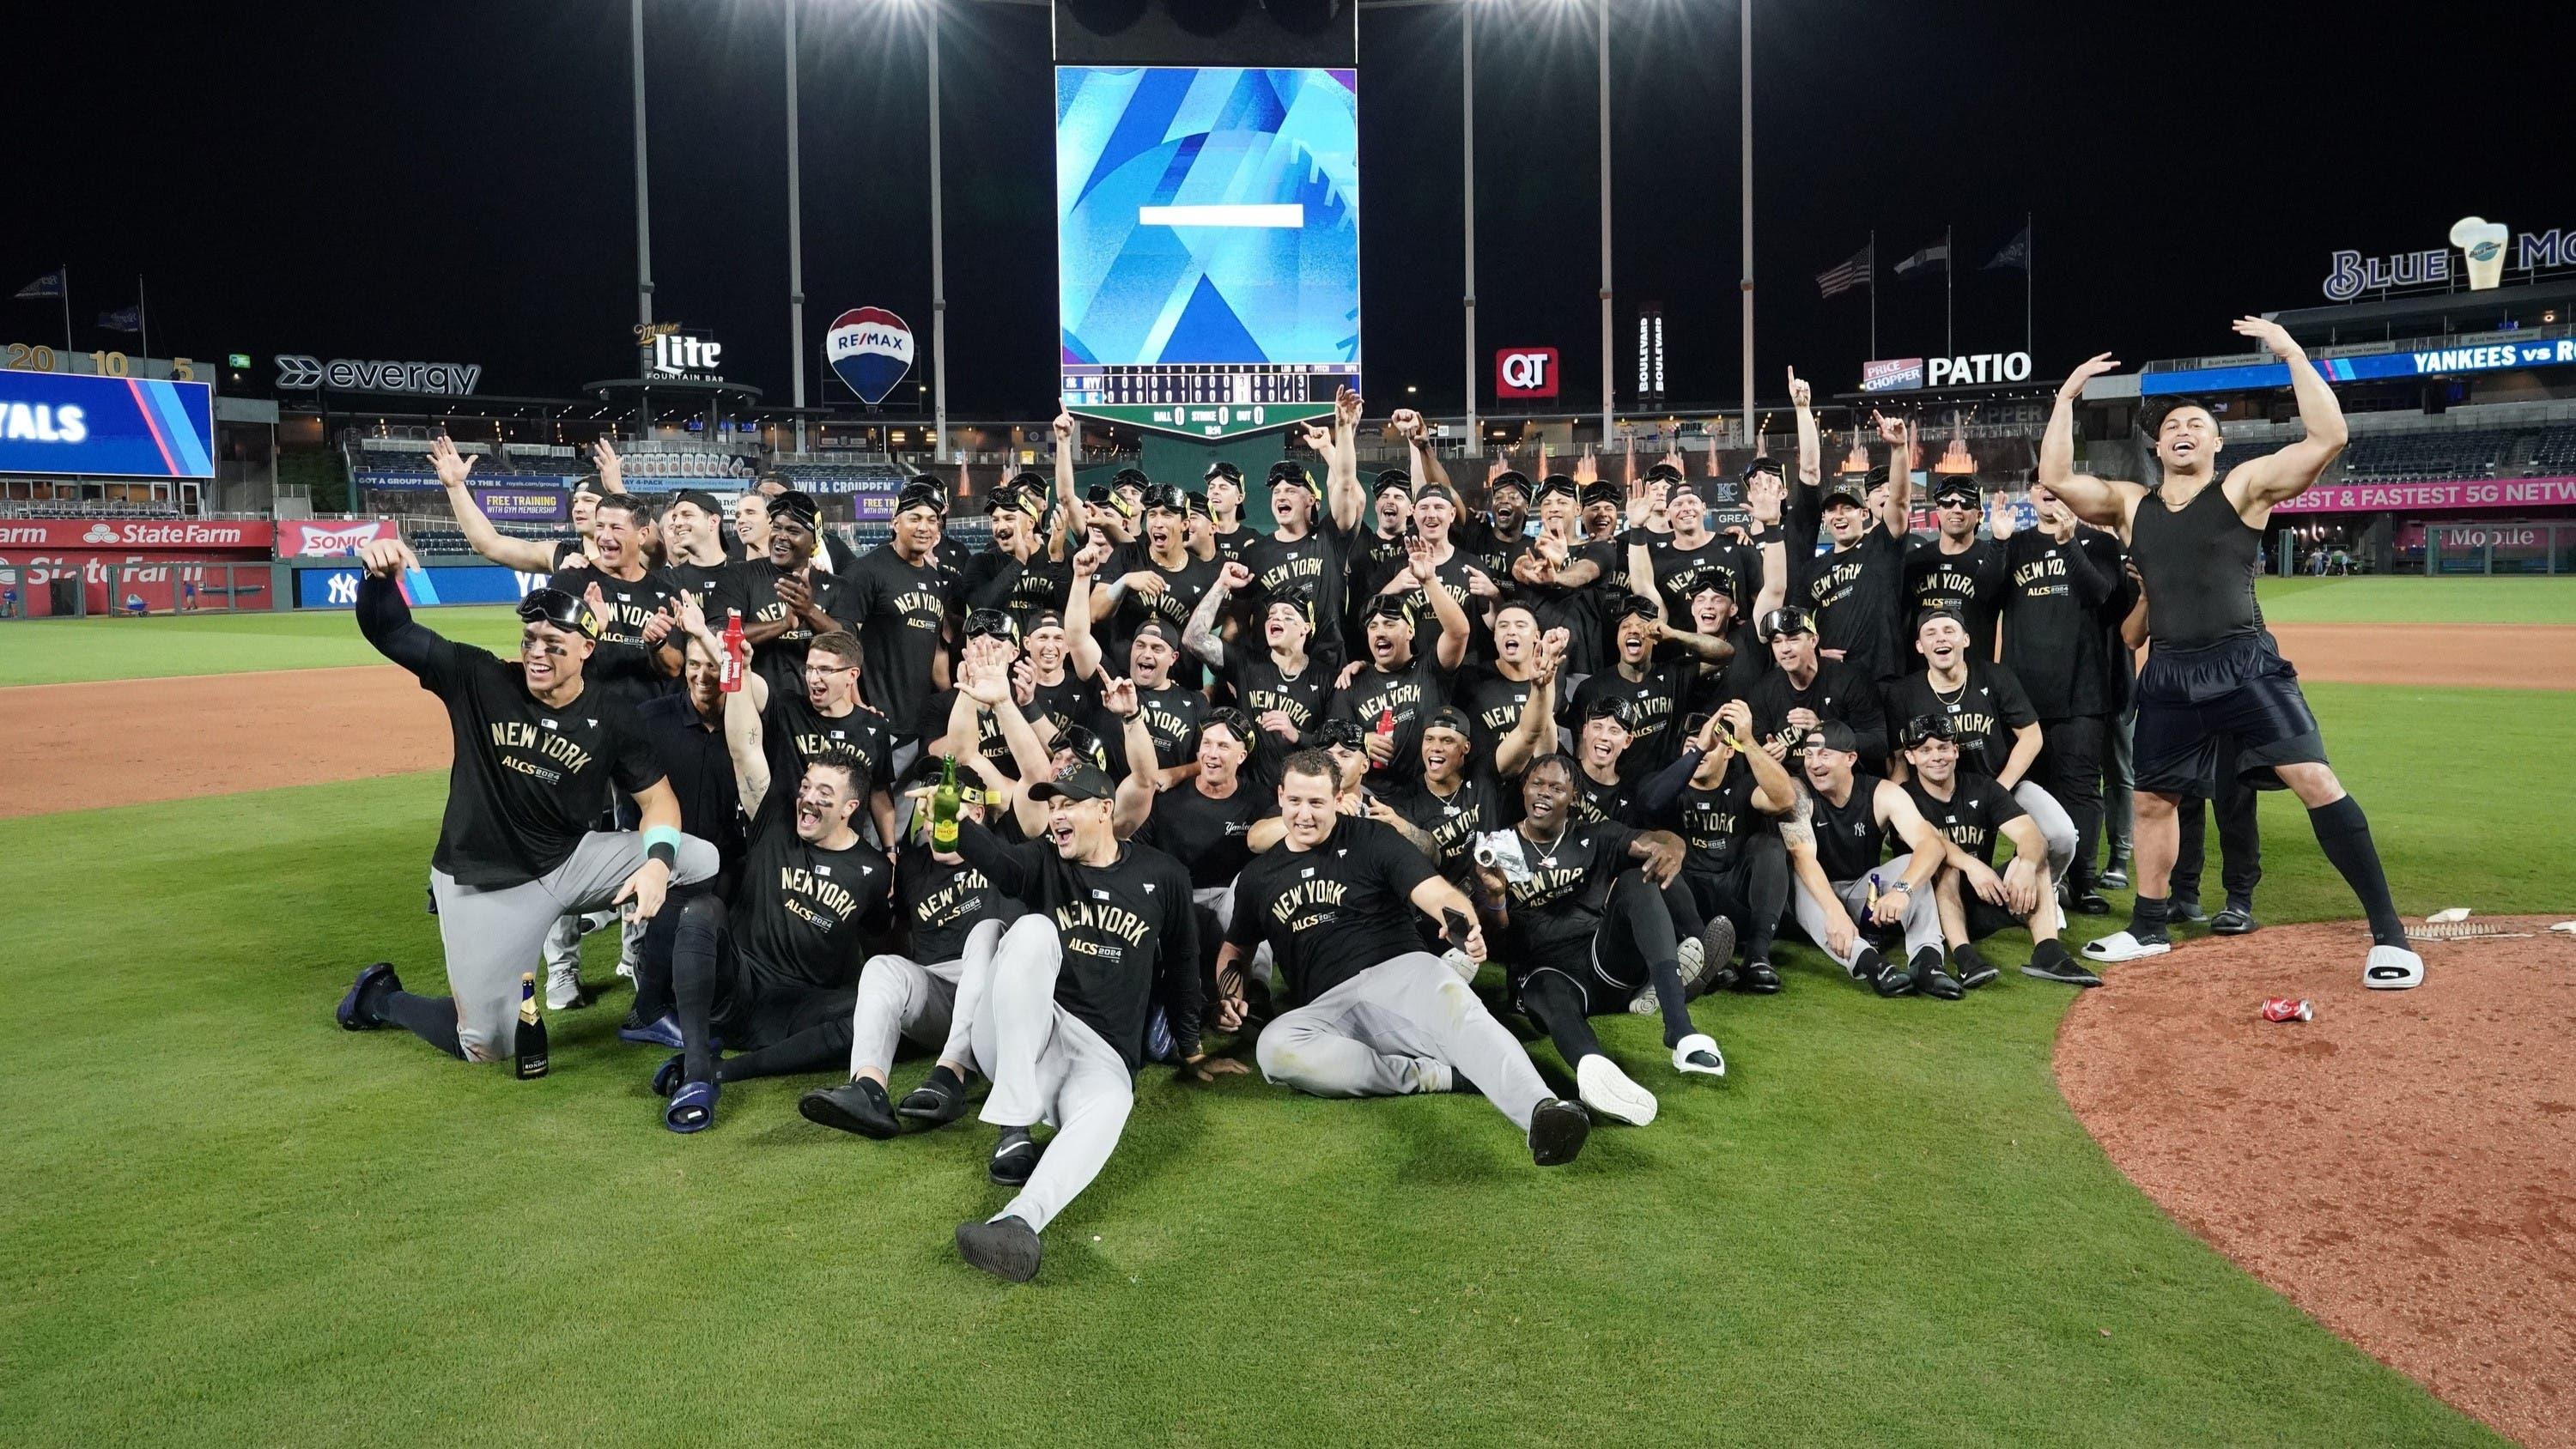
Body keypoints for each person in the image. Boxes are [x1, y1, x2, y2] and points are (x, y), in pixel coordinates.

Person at [2042, 323, 2421, 987]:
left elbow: (2329, 438)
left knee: (2315, 780)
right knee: (2155, 800)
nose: (2183, 430)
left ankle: (2390, 935)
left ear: (2217, 442)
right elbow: (2055, 477)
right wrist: (2067, 397)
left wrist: (2294, 355)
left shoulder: (2243, 487)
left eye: (2196, 423)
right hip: (2167, 673)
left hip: (2244, 663)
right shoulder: (2133, 506)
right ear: (2156, 445)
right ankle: (2150, 926)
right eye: (2171, 426)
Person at [334, 541, 718, 1062]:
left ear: (588, 648)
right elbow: (393, 632)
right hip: (487, 878)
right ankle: (381, 997)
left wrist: (656, 865)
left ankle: (650, 1005)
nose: (537, 652)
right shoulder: (481, 679)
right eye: (530, 638)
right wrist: (378, 580)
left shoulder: (611, 716)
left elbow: (659, 802)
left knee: (699, 859)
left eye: (553, 642)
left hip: (569, 862)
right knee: (487, 1044)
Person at [1218, 750, 1594, 1163]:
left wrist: (1462, 923)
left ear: (1338, 797)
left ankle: (1543, 1112)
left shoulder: (1371, 838)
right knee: (1274, 1048)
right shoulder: (1258, 876)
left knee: (1462, 1014)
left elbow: (1434, 892)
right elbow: (1236, 949)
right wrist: (1228, 992)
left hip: (1402, 972)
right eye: (1294, 802)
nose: (1304, 814)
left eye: (1316, 803)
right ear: (1280, 796)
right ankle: (1434, 1075)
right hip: (1329, 1007)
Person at [939, 757, 1214, 1282]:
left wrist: (1190, 1046)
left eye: (1068, 805)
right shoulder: (1044, 861)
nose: (1056, 816)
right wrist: (952, 824)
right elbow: (997, 862)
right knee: (1032, 930)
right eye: (1052, 807)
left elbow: (1182, 964)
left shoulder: (1162, 875)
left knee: (1115, 1101)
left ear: (1105, 810)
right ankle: (1013, 1120)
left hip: (1100, 1055)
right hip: (1030, 1037)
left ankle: (1019, 1220)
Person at [648, 669, 896, 1131]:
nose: (808, 798)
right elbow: (744, 747)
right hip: (736, 987)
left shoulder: (873, 870)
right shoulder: (776, 823)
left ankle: (726, 1070)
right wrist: (736, 668)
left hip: (798, 1013)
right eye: (806, 787)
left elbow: (878, 943)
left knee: (870, 1009)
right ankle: (698, 1065)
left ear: (849, 808)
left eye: (825, 793)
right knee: (702, 910)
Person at [1470, 755, 1713, 1127]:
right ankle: (1593, 1069)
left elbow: (1653, 840)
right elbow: (1496, 939)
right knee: (1547, 988)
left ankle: (1681, 1031)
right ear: (1523, 788)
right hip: (1544, 972)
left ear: (1574, 797)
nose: (1544, 794)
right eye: (1537, 784)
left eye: (1556, 788)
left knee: (1637, 881)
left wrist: (1674, 848)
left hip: (1603, 962)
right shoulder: (1498, 847)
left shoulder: (1594, 835)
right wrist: (1496, 896)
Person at [796, 781, 1022, 1140]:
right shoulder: (913, 867)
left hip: (999, 998)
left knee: (987, 930)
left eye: (946, 810)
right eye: (931, 814)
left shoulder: (1007, 848)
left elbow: (1029, 785)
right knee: (881, 966)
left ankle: (952, 1073)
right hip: (941, 995)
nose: (936, 822)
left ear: (975, 814)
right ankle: (869, 1090)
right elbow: (889, 930)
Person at [1881, 609, 2078, 910]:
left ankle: (2042, 889)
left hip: (2002, 783)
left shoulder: (1995, 677)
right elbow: (1899, 760)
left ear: (1966, 639)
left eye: (1949, 630)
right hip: (1939, 795)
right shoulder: (1903, 693)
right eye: (1931, 633)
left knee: (2062, 835)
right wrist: (1897, 809)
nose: (1941, 639)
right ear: (1920, 646)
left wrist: (2001, 787)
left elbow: (2032, 736)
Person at [1895, 714, 2098, 990]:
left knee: (2035, 861)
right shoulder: (1902, 797)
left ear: (1956, 751)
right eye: (1925, 750)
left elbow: (2031, 835)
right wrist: (1970, 864)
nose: (1937, 757)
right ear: (1910, 757)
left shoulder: (1982, 787)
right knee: (1946, 869)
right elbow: (1930, 847)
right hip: (1929, 910)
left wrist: (2025, 866)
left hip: (1983, 897)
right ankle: (1966, 959)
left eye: (1943, 747)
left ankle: (2048, 954)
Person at [1997, 486, 2123, 914]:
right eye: (2042, 489)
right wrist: (1997, 543)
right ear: (2032, 495)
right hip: (2023, 695)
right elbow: (1989, 595)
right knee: (2031, 790)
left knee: (2083, 791)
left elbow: (2100, 595)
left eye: (2058, 489)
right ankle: (2036, 872)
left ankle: (2083, 881)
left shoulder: (2101, 543)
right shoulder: (2015, 544)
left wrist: (2069, 543)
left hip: (2082, 690)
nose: (2050, 496)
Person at [1633, 700, 1797, 996]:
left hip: (1735, 897)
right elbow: (1650, 803)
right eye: (1691, 745)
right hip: (1687, 904)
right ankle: (1708, 958)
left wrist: (1748, 740)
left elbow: (1785, 798)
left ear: (1729, 751)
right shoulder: (1668, 786)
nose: (1701, 749)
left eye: (1711, 743)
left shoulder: (1743, 786)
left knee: (1769, 845)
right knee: (1658, 858)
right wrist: (1700, 750)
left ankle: (1758, 956)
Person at [1781, 720, 1952, 998]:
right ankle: (1873, 965)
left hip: (1865, 891)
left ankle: (1928, 962)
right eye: (1808, 755)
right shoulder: (1798, 793)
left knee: (1911, 862)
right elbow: (1803, 859)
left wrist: (1902, 890)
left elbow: (1931, 845)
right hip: (1817, 896)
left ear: (1850, 758)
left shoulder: (1881, 792)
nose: (1814, 764)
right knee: (1798, 877)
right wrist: (1835, 912)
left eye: (1825, 754)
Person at [1788, 374, 1913, 685]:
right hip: (1836, 682)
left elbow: (1899, 501)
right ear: (1825, 520)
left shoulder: (1882, 545)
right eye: (1831, 510)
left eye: (1847, 508)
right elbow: (1796, 628)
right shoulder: (1812, 570)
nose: (1838, 516)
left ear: (1865, 513)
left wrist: (1899, 450)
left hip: (1884, 678)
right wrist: (1814, 657)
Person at [1329, 541, 1470, 791]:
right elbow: (1333, 748)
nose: (1380, 632)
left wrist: (1429, 581)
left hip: (1427, 794)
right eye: (1373, 627)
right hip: (1374, 797)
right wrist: (1361, 741)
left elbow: (1459, 632)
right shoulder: (1351, 683)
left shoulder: (1430, 667)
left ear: (1410, 631)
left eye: (1390, 624)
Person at [841, 478, 956, 761]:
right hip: (876, 720)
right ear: (895, 523)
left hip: (919, 724)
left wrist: (953, 701)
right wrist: (856, 704)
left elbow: (936, 651)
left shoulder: (933, 579)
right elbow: (843, 642)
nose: (924, 527)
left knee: (910, 806)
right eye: (914, 518)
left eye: (932, 520)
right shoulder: (866, 571)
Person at [1185, 563, 1331, 750]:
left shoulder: (1326, 679)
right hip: (1249, 779)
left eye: (1287, 615)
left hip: (1300, 778)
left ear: (1306, 627)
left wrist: (1297, 735)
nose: (1275, 618)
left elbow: (1334, 748)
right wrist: (1222, 584)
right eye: (1271, 614)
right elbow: (1193, 639)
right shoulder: (1246, 663)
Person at [1742, 605, 1887, 771]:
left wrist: (1826, 732)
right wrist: (1767, 757)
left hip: (1843, 779)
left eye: (1793, 639)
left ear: (1813, 640)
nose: (1785, 649)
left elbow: (1879, 744)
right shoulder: (1762, 692)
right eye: (1777, 641)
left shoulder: (1850, 679)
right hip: (1791, 786)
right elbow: (1757, 754)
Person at [1905, 476, 2012, 658]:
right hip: (1921, 675)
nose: (1957, 509)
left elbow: (1990, 592)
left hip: (1974, 674)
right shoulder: (1915, 561)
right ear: (1937, 511)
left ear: (1979, 515)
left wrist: (2000, 542)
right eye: (1948, 503)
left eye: (1966, 503)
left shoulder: (1992, 557)